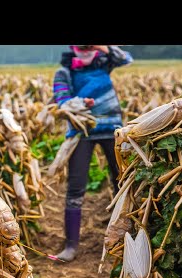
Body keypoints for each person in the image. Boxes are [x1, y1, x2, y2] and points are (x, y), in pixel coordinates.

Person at [52, 45, 133, 262]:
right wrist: (80, 104)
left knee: (122, 183)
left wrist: (101, 47)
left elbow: (126, 58)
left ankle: (124, 238)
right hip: (82, 133)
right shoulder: (65, 72)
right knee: (76, 187)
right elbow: (62, 102)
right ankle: (71, 247)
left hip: (112, 130)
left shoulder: (103, 62)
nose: (86, 49)